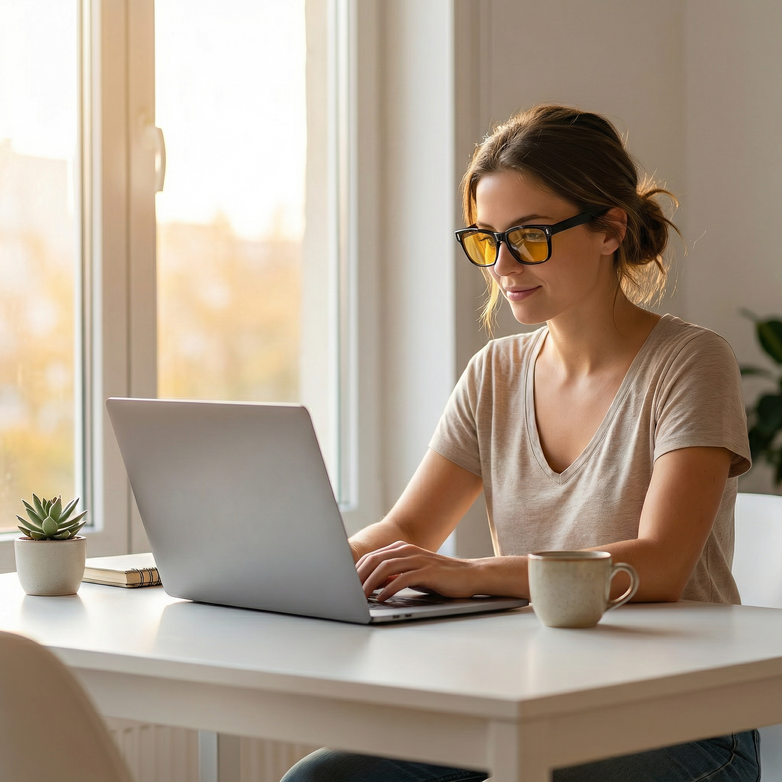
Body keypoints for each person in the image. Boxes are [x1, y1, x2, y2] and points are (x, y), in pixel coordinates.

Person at [281, 105, 759, 781]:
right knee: (322, 780)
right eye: (486, 239)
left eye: (529, 237)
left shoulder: (690, 362)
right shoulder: (495, 373)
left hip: (686, 726)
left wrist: (471, 575)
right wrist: (294, 572)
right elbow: (407, 527)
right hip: (534, 711)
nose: (503, 265)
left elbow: (658, 566)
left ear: (609, 230)